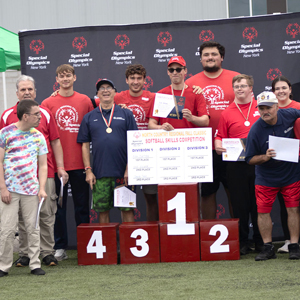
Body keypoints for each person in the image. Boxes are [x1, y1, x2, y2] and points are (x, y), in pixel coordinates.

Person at [0, 75, 69, 267]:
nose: (27, 92)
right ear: (17, 93)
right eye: (23, 89)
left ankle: (47, 252)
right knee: (22, 217)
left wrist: (61, 167)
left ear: (35, 92)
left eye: (30, 89)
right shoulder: (6, 116)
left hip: (43, 172)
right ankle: (24, 254)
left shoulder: (44, 114)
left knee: (46, 213)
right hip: (15, 178)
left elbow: (55, 141)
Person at [42, 64, 94, 261]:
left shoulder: (84, 101)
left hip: (80, 164)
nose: (65, 79)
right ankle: (60, 247)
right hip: (56, 166)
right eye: (61, 76)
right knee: (58, 209)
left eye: (68, 76)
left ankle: (85, 245)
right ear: (57, 79)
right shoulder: (47, 103)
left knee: (82, 207)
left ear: (75, 77)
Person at [185, 41, 240, 219]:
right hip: (203, 148)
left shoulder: (236, 79)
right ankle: (209, 234)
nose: (210, 57)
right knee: (207, 193)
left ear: (221, 57)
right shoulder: (190, 83)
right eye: (206, 55)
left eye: (214, 54)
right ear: (200, 59)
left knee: (235, 192)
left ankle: (240, 235)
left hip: (232, 146)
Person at [245, 91, 300, 261]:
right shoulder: (255, 130)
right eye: (261, 108)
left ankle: (294, 245)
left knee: (293, 209)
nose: (264, 111)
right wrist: (265, 157)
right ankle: (268, 247)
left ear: (277, 107)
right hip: (266, 178)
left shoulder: (289, 114)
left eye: (268, 107)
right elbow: (249, 159)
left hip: (291, 174)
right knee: (262, 212)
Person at [77, 79, 138, 223]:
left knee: (127, 210)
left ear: (115, 92)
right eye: (102, 88)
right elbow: (85, 145)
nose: (105, 90)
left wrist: (129, 169)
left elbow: (134, 143)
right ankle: (107, 244)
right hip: (100, 174)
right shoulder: (89, 117)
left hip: (123, 174)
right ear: (97, 94)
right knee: (103, 212)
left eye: (109, 87)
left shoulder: (126, 114)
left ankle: (128, 244)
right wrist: (88, 170)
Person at [215, 74, 262, 255]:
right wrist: (218, 144)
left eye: (243, 86)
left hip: (259, 163)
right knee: (240, 204)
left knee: (259, 204)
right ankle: (242, 242)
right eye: (236, 86)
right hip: (236, 165)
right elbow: (219, 135)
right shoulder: (227, 112)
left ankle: (261, 242)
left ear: (251, 88)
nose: (240, 89)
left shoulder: (262, 107)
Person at [0, 100, 48, 277]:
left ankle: (35, 264)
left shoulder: (38, 136)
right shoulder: (5, 133)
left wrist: (41, 188)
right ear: (25, 116)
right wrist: (3, 188)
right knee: (7, 229)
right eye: (37, 114)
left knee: (33, 227)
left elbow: (43, 166)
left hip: (31, 190)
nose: (39, 117)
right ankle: (3, 266)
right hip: (9, 190)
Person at [114, 64, 158, 221]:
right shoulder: (117, 97)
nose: (135, 81)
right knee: (126, 198)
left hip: (147, 154)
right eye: (132, 78)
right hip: (124, 153)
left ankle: (152, 233)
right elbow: (94, 102)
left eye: (139, 78)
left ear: (145, 80)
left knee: (151, 197)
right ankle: (129, 235)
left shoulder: (153, 97)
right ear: (126, 80)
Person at [271, 75, 300, 253]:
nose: (281, 91)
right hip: (281, 165)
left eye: (284, 88)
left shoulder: (298, 108)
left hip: (298, 160)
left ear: (290, 89)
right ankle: (289, 241)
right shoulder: (269, 110)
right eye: (277, 89)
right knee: (286, 203)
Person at [148, 56, 209, 130]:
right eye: (171, 70)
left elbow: (205, 121)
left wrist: (192, 118)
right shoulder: (160, 94)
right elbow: (151, 125)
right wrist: (161, 127)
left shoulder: (195, 93)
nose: (175, 72)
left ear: (185, 71)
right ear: (168, 72)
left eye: (178, 69)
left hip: (190, 139)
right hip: (167, 139)